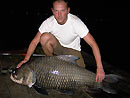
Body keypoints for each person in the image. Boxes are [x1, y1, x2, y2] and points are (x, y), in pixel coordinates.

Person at [17, 0, 105, 82]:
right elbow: (34, 41)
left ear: (68, 10)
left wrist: (100, 68)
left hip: (72, 51)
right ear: (52, 11)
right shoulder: (49, 22)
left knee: (80, 76)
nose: (59, 15)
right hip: (58, 48)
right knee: (44, 37)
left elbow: (93, 44)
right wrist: (26, 59)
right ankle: (52, 63)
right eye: (56, 11)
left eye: (62, 11)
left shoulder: (76, 23)